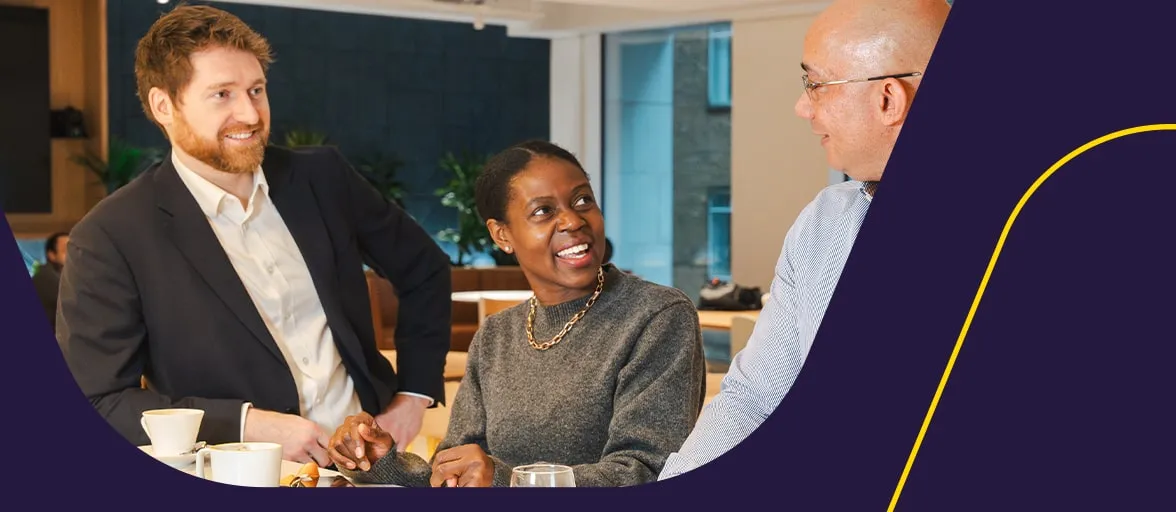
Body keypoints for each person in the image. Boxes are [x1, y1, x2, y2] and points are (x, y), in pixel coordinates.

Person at [57, 5, 452, 467]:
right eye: (222, 94)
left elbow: (424, 268)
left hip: (373, 465)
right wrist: (248, 425)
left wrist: (414, 394)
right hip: (235, 473)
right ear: (163, 105)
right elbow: (98, 400)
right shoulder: (110, 235)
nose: (249, 113)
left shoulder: (322, 178)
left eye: (256, 90)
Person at [658, 0, 951, 479]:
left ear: (888, 99)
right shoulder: (823, 224)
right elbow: (753, 400)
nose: (801, 106)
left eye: (814, 85)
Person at [325, 140, 707, 487]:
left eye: (582, 201)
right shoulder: (496, 335)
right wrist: (383, 463)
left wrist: (508, 481)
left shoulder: (658, 316)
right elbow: (455, 472)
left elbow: (647, 471)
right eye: (543, 211)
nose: (573, 221)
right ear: (501, 235)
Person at [31, 231, 68, 335]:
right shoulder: (47, 279)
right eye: (65, 250)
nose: (71, 255)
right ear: (52, 255)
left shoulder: (54, 276)